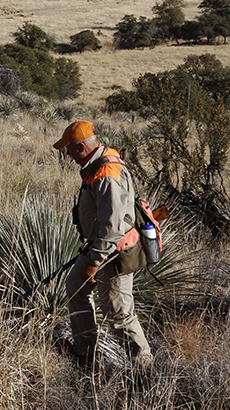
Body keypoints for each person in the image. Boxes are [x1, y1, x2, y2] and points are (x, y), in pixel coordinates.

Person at [52, 120, 152, 370]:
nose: (68, 154)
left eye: (69, 149)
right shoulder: (99, 163)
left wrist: (95, 260)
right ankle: (85, 353)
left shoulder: (106, 173)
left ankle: (144, 369)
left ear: (81, 147)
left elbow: (114, 226)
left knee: (118, 313)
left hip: (113, 252)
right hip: (100, 246)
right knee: (75, 287)